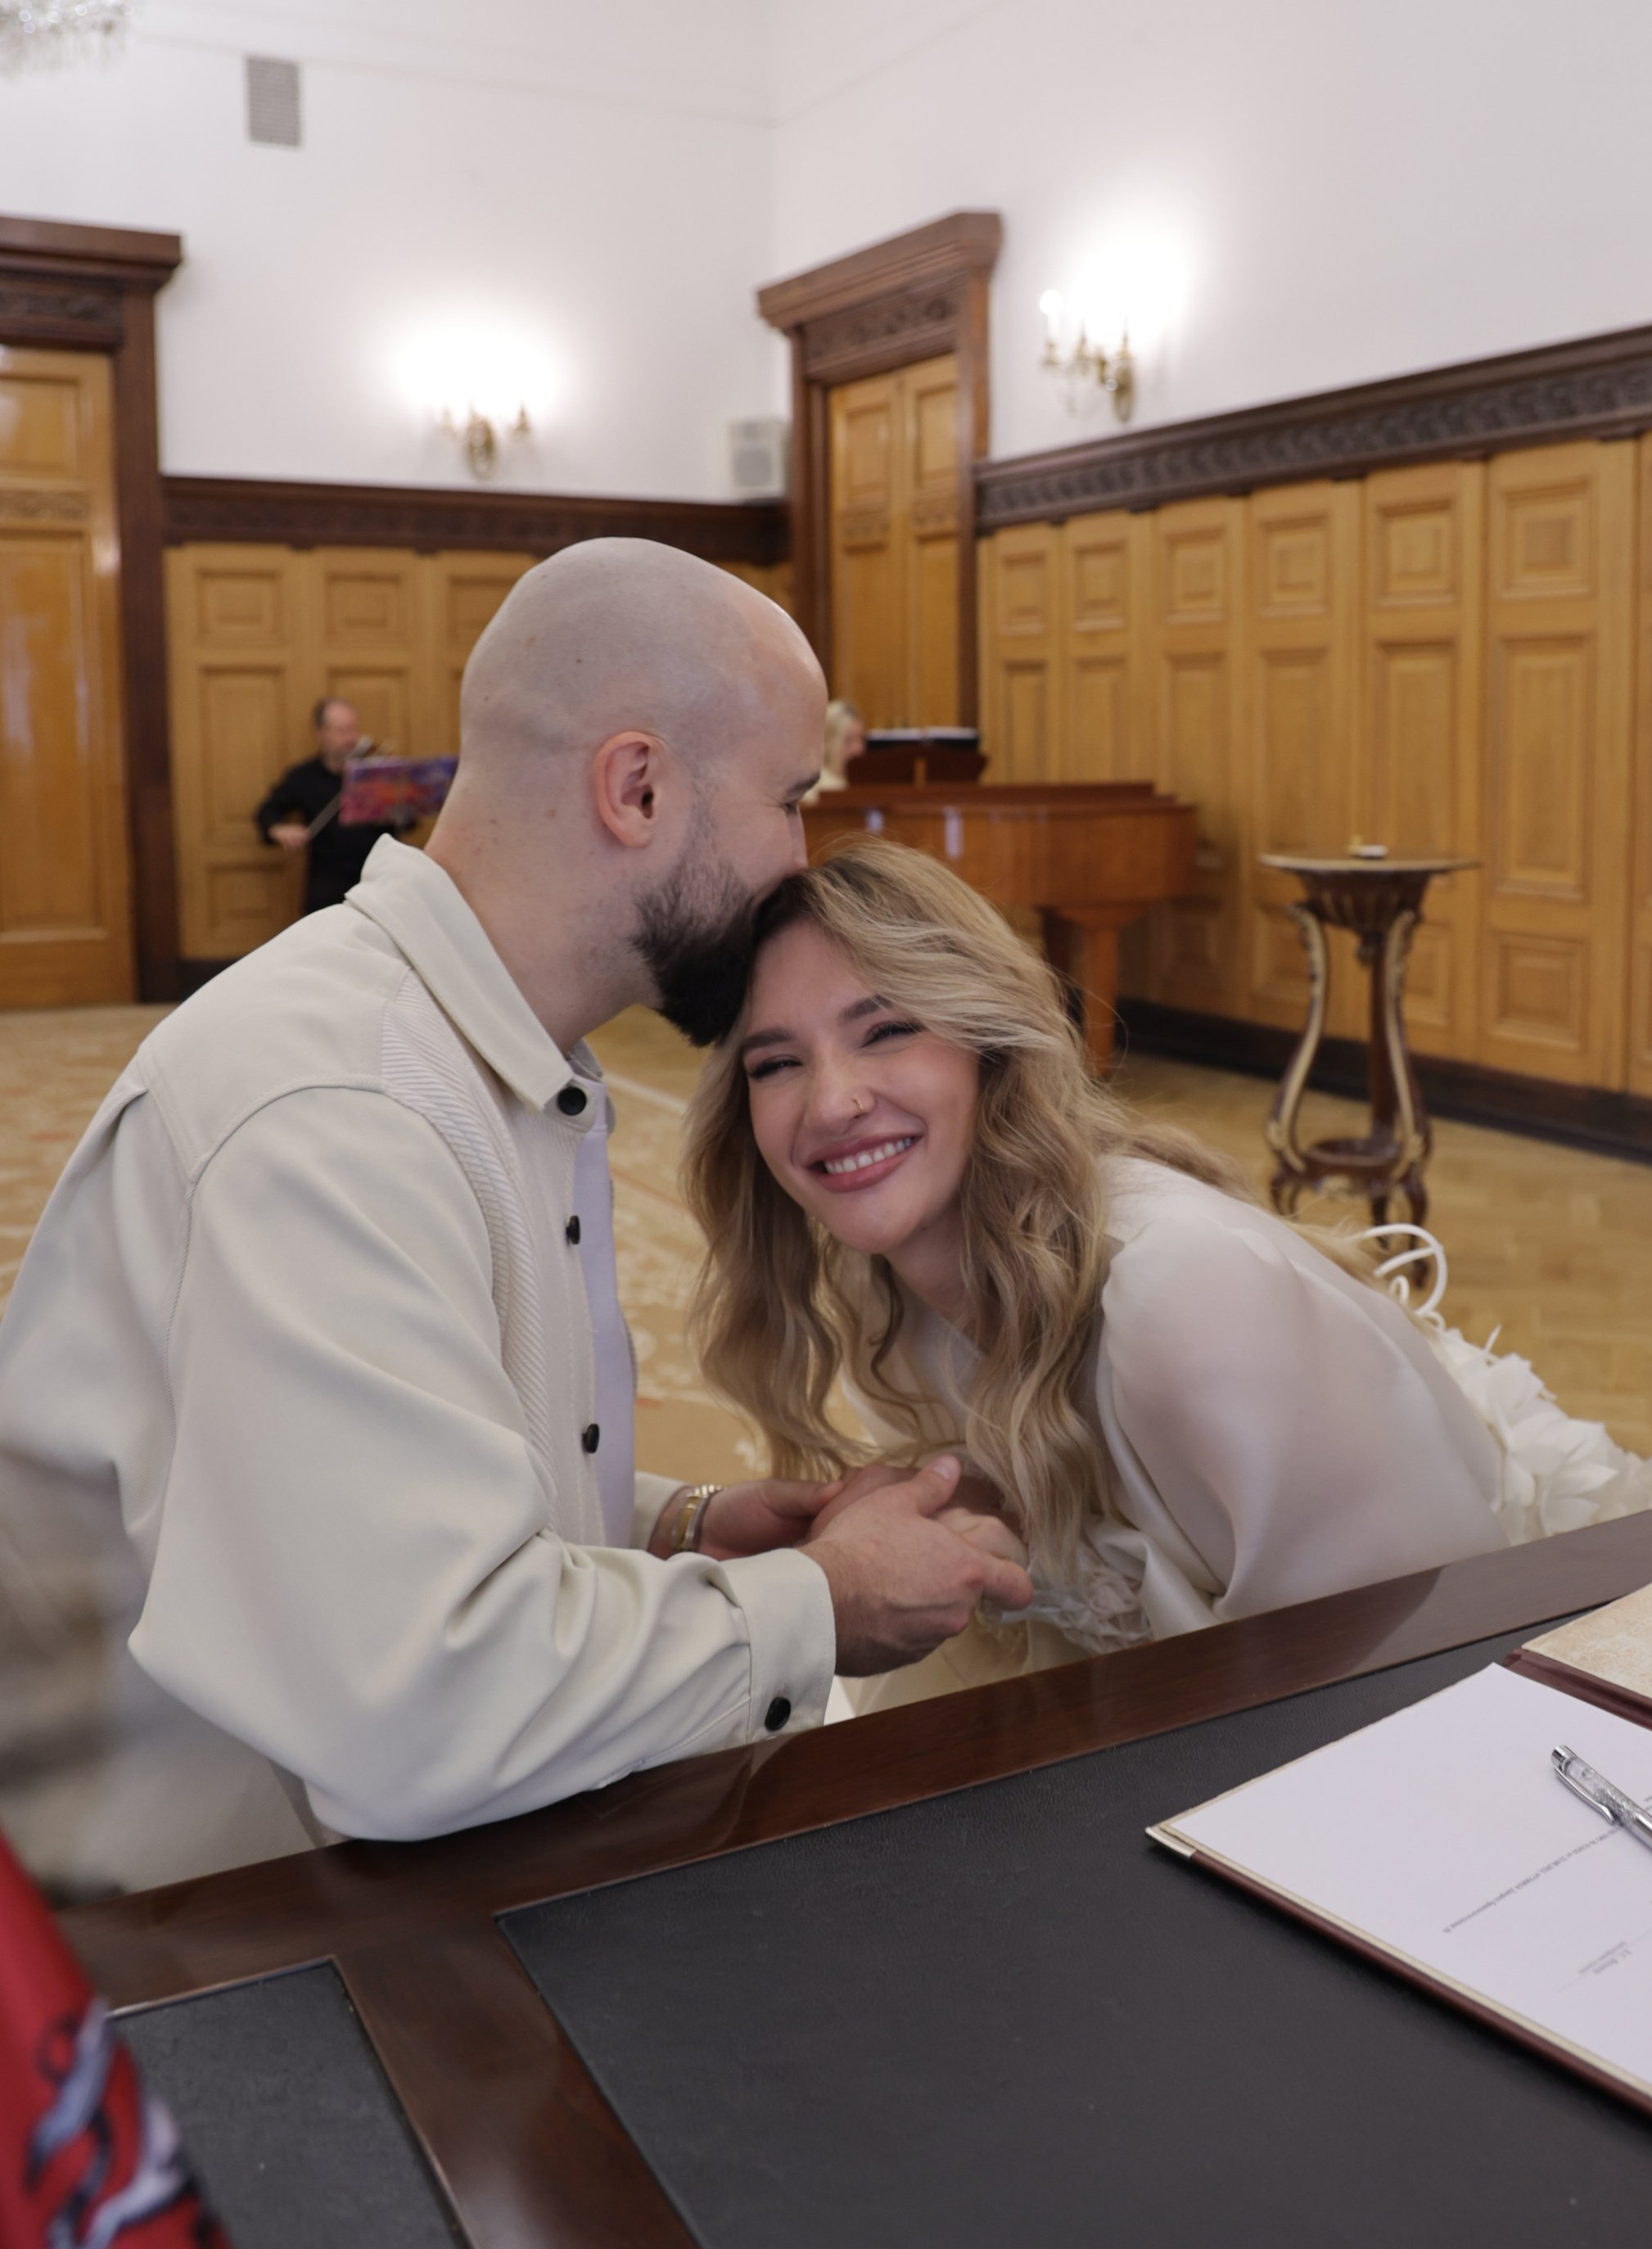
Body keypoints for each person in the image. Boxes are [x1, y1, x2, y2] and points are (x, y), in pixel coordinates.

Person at [0, 543, 1029, 1899]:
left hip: (343, 1868)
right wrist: (822, 1605)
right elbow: (416, 1715)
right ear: (638, 787)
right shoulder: (342, 1109)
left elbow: (397, 1471)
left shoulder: (471, 1049)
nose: (798, 860)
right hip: (200, 1943)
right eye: (790, 799)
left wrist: (676, 1528)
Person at [684, 840, 1652, 1711]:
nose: (834, 1100)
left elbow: (1403, 1675)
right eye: (776, 1064)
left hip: (1497, 1692)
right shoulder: (882, 1298)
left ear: (985, 1043)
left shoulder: (1182, 1297)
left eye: (885, 1030)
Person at [254, 697, 395, 918]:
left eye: (353, 729)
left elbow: (408, 821)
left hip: (381, 878)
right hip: (329, 884)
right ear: (321, 734)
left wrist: (397, 803)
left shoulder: (375, 774)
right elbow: (266, 813)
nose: (351, 738)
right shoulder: (303, 776)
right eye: (341, 731)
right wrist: (278, 829)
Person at [807, 696, 867, 797]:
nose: (858, 748)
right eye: (848, 741)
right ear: (828, 742)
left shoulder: (867, 783)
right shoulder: (813, 791)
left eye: (860, 739)